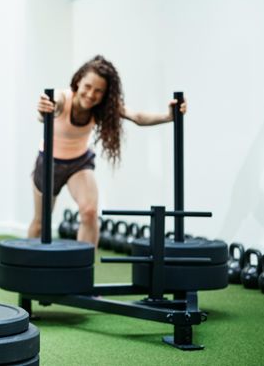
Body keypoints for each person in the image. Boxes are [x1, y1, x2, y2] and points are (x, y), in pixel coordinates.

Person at [27, 55, 187, 246]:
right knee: (40, 222)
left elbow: (136, 116)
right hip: (49, 163)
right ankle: (29, 271)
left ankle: (85, 271)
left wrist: (168, 116)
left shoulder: (103, 107)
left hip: (79, 163)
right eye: (87, 87)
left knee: (89, 212)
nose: (91, 94)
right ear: (78, 82)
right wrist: (44, 109)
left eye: (98, 91)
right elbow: (50, 109)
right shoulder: (63, 98)